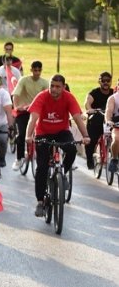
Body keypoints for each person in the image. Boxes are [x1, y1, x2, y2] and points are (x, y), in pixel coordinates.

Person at [25, 74, 89, 217]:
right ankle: (40, 201)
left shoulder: (69, 97)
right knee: (42, 167)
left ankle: (63, 173)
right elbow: (33, 118)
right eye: (52, 86)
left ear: (63, 87)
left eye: (57, 87)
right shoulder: (42, 97)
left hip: (62, 131)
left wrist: (85, 136)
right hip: (43, 133)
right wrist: (28, 136)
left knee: (71, 149)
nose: (54, 89)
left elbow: (77, 118)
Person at [11, 61, 47, 170]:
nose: (37, 73)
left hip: (37, 112)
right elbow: (16, 94)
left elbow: (48, 96)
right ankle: (19, 158)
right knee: (21, 134)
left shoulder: (44, 83)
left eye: (39, 70)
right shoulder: (24, 80)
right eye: (35, 70)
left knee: (44, 135)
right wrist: (17, 106)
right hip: (24, 111)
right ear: (31, 70)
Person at [84, 72, 113, 170]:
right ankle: (89, 159)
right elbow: (87, 103)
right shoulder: (94, 93)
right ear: (99, 81)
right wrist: (90, 109)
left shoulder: (113, 93)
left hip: (109, 120)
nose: (106, 83)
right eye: (103, 80)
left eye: (108, 80)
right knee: (91, 141)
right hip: (95, 120)